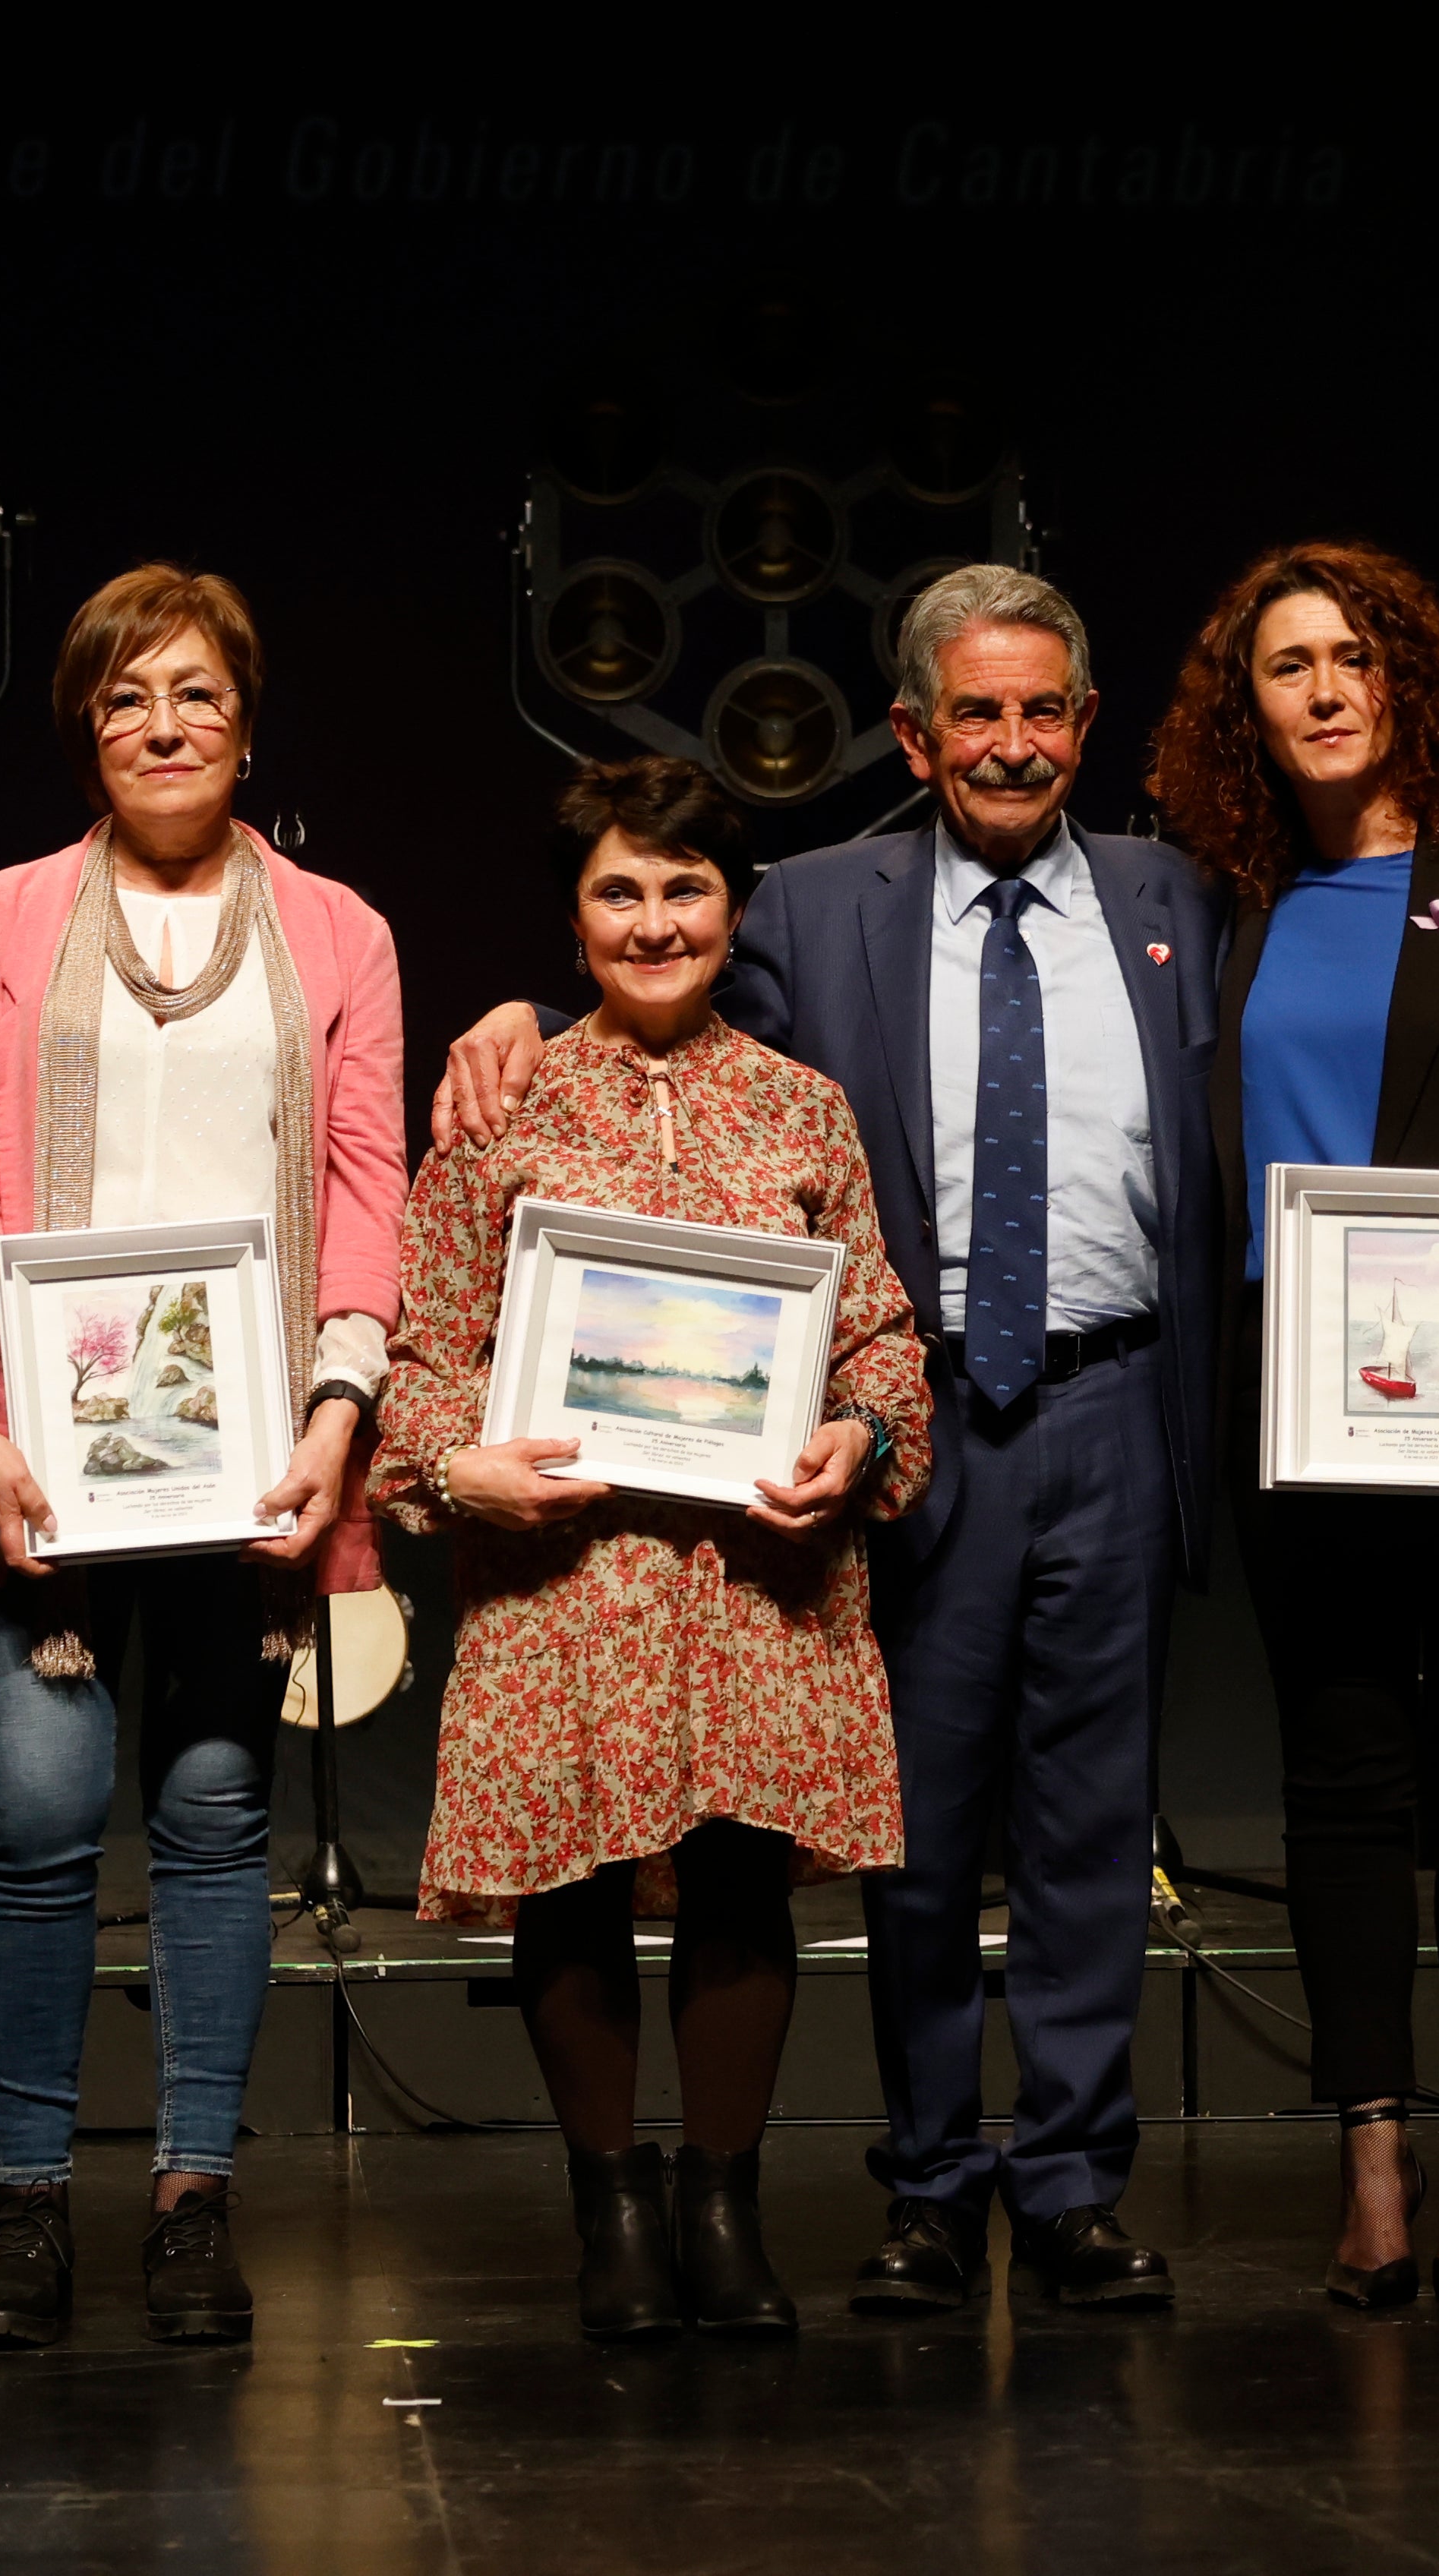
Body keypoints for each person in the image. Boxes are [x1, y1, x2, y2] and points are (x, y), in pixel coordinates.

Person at [433, 566, 1226, 2311]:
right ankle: (932, 2186)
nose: (1012, 744)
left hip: (1100, 1390)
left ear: (1083, 726)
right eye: (978, 712)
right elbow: (646, 998)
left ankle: (1077, 2184)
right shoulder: (816, 899)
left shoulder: (1175, 900)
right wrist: (505, 1018)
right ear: (915, 731)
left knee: (1097, 1826)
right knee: (917, 1836)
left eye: (1044, 712)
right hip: (897, 1422)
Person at [0, 565, 406, 2351]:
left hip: (253, 1452)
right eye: (127, 699)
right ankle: (28, 2202)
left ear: (245, 719)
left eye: (194, 693)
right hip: (40, 1449)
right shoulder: (0, 919)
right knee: (36, 1819)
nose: (165, 725)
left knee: (209, 1818)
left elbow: (367, 1189)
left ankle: (194, 2195)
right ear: (87, 730)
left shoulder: (340, 930)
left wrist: (344, 1408)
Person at [371, 758, 932, 2339]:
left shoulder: (802, 1107)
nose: (656, 918)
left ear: (734, 912)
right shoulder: (508, 1103)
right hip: (571, 1571)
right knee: (574, 1885)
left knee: (745, 1874)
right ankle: (613, 2211)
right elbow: (426, 1350)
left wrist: (861, 1439)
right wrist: (451, 1464)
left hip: (758, 1571)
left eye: (685, 890)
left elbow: (878, 1337)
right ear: (574, 918)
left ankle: (724, 2203)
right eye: (622, 890)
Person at [1143, 541, 1439, 2310]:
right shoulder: (1222, 888)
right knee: (1341, 1783)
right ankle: (1368, 2147)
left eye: (1354, 655)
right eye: (1289, 666)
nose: (1327, 689)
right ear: (1243, 708)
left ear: (1409, 672)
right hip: (1301, 1397)